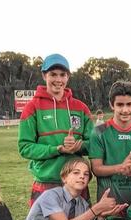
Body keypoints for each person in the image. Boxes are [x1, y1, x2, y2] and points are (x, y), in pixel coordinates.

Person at [18, 53, 93, 207]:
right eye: (53, 74)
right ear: (44, 75)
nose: (58, 80)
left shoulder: (81, 108)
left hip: (76, 183)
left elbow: (94, 144)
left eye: (62, 75)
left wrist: (79, 146)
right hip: (46, 182)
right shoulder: (32, 107)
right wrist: (57, 149)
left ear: (68, 77)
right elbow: (25, 147)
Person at [90, 81, 131, 204]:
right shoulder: (99, 132)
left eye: (129, 104)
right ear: (112, 105)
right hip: (108, 203)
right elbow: (96, 169)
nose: (125, 110)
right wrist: (120, 168)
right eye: (120, 105)